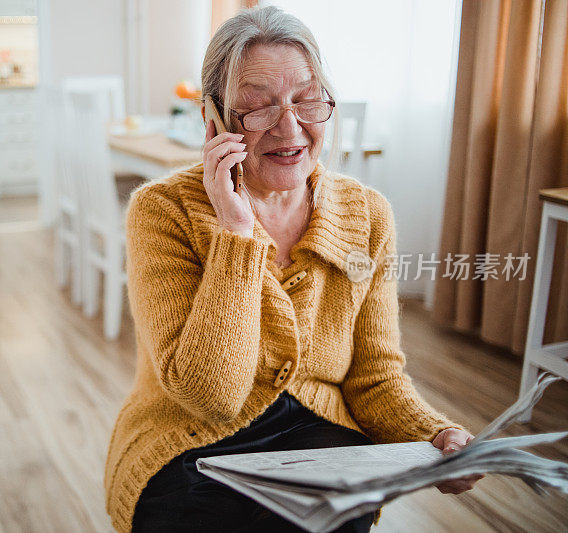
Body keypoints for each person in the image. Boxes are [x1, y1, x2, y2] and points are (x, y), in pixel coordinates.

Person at [104, 6, 482, 533]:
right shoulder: (162, 211)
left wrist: (436, 433)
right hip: (190, 439)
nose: (290, 128)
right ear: (213, 120)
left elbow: (375, 377)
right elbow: (210, 397)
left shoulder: (367, 215)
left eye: (306, 100)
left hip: (319, 431)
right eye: (257, 108)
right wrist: (235, 231)